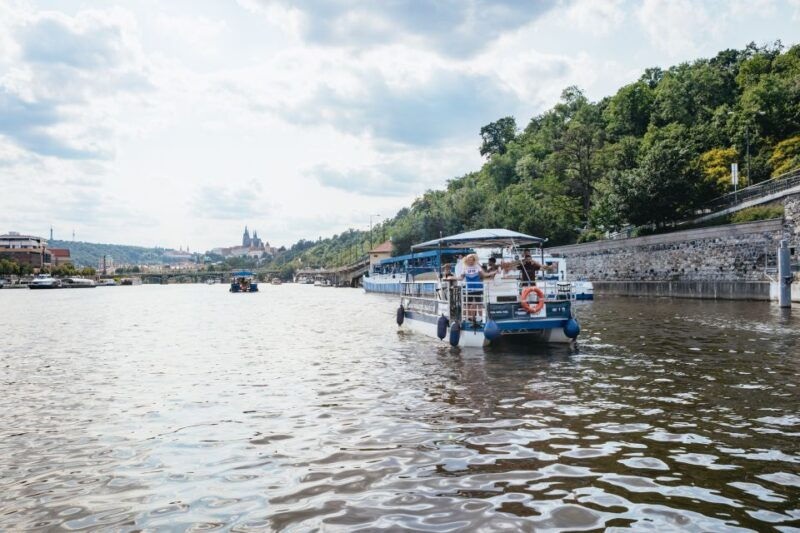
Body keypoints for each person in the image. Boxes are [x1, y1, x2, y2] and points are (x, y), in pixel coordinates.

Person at [458, 254, 496, 321]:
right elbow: (461, 278)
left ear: (474, 260)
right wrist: (452, 278)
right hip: (469, 289)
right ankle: (467, 318)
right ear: (467, 260)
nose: (471, 261)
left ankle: (481, 318)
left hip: (478, 288)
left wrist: (493, 272)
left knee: (479, 304)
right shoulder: (465, 267)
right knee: (468, 304)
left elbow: (484, 274)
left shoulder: (477, 266)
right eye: (469, 260)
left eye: (472, 260)